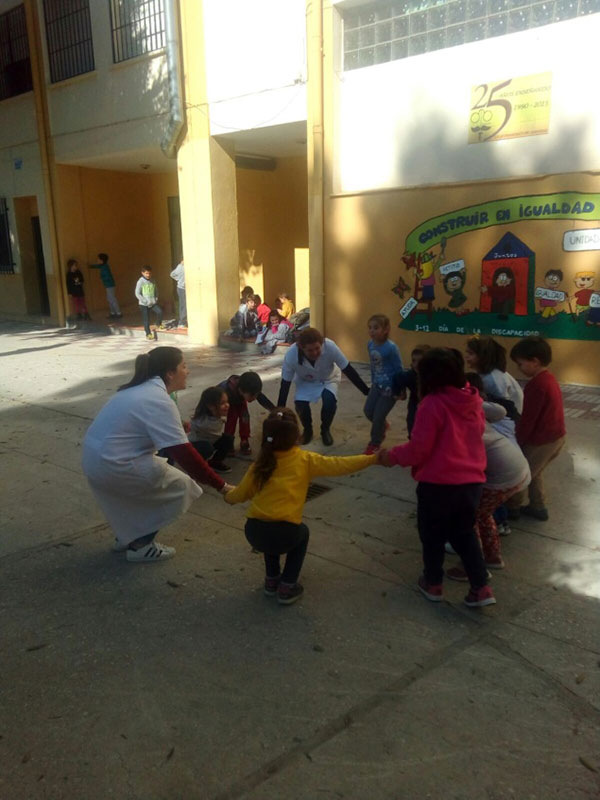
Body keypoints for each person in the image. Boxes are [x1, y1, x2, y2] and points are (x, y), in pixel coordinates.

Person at [82, 347, 230, 562]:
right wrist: (221, 486)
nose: (187, 371)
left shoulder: (137, 390)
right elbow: (184, 453)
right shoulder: (158, 399)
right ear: (170, 373)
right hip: (115, 464)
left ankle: (126, 537)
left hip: (95, 460)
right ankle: (141, 546)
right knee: (182, 487)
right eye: (184, 366)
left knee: (137, 494)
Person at [379, 348, 496, 608]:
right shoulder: (472, 399)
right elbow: (476, 433)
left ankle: (433, 582)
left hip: (438, 485)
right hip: (472, 483)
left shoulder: (431, 404)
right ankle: (481, 587)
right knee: (464, 534)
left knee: (432, 535)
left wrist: (391, 456)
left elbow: (419, 448)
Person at [224, 408, 378, 604]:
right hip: (285, 533)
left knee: (270, 535)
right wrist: (372, 458)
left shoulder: (259, 464)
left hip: (254, 531)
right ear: (297, 436)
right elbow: (341, 464)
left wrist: (227, 496)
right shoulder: (305, 460)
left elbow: (240, 494)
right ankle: (287, 586)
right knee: (301, 533)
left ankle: (271, 581)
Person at [446, 373, 531, 579]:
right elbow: (500, 410)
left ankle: (471, 566)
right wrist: (476, 403)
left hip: (504, 477)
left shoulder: (464, 430)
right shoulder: (473, 412)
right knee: (483, 514)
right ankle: (492, 557)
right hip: (518, 469)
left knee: (469, 518)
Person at [277, 328, 370, 447]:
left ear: (322, 343)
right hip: (305, 380)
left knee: (329, 400)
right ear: (301, 347)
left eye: (317, 348)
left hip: (328, 378)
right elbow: (285, 384)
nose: (315, 353)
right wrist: (279, 411)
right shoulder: (291, 355)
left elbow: (348, 369)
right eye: (310, 350)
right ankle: (308, 430)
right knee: (300, 404)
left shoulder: (330, 346)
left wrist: (366, 391)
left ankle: (325, 430)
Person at [507, 336, 566, 522]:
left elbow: (528, 420)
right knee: (535, 472)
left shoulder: (537, 385)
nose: (519, 368)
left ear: (535, 361)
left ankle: (512, 508)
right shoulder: (548, 379)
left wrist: (517, 441)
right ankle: (538, 506)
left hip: (542, 441)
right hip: (555, 437)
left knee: (521, 474)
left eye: (520, 364)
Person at [363, 314, 404, 455]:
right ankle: (382, 426)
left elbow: (399, 369)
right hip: (376, 386)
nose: (372, 331)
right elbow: (374, 365)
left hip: (390, 389)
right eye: (370, 328)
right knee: (368, 412)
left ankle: (375, 443)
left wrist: (401, 389)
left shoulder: (391, 348)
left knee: (378, 417)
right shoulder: (370, 344)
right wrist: (373, 381)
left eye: (376, 328)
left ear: (386, 329)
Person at [220, 372, 275, 456]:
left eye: (256, 395)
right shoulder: (225, 390)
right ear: (241, 390)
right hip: (229, 403)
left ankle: (244, 440)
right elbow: (211, 398)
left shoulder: (250, 388)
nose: (254, 398)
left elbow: (262, 399)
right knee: (231, 420)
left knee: (245, 418)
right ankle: (228, 443)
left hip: (240, 401)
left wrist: (274, 410)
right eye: (252, 396)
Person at [188, 386, 233, 473]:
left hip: (211, 440)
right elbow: (195, 424)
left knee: (228, 439)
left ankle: (215, 462)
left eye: (227, 402)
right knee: (207, 448)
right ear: (211, 406)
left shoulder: (217, 416)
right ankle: (197, 464)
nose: (227, 405)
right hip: (196, 444)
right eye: (222, 403)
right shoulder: (201, 422)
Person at [395, 345, 430, 438]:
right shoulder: (410, 375)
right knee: (412, 421)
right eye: (414, 361)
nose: (416, 364)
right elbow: (399, 377)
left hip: (430, 404)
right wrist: (402, 392)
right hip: (414, 401)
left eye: (421, 361)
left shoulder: (432, 376)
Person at [135, 266, 164, 340]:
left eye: (149, 273)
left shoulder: (153, 280)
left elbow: (156, 290)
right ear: (142, 273)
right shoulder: (140, 281)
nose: (148, 275)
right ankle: (148, 334)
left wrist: (156, 298)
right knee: (146, 319)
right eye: (146, 273)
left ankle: (158, 324)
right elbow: (137, 293)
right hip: (144, 304)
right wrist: (144, 301)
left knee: (159, 312)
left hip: (153, 302)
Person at [89, 253, 121, 318]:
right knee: (109, 299)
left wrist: (101, 277)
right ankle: (113, 313)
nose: (97, 260)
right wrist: (91, 266)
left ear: (102, 260)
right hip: (108, 285)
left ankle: (118, 313)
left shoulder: (105, 267)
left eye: (98, 259)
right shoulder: (103, 266)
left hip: (110, 285)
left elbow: (107, 276)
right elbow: (97, 266)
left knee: (112, 299)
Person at [170, 258, 187, 328]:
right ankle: (181, 322)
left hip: (182, 288)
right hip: (182, 288)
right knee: (183, 305)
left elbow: (172, 274)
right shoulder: (180, 267)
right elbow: (172, 274)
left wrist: (178, 280)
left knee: (184, 305)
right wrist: (178, 280)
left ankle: (183, 321)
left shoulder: (181, 266)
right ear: (182, 260)